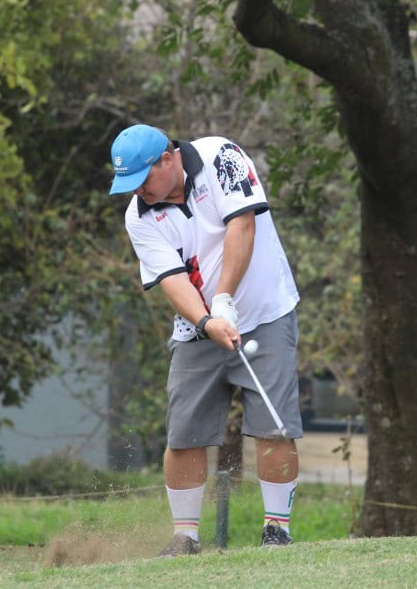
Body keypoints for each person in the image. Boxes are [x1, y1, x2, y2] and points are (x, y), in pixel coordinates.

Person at [107, 123, 304, 557]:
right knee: (184, 433)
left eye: (142, 179)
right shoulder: (139, 216)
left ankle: (277, 531)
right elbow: (172, 281)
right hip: (196, 328)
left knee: (273, 426)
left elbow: (243, 226)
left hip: (266, 313)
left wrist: (224, 299)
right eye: (130, 184)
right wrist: (206, 319)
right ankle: (186, 538)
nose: (138, 191)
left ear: (167, 159)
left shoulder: (220, 156)